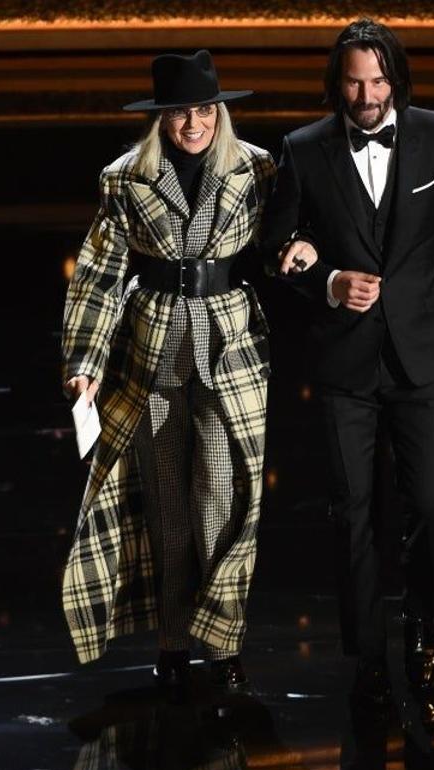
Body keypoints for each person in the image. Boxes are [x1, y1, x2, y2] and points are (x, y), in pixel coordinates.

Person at [260, 19, 434, 704]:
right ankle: (367, 652)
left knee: (431, 503)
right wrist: (325, 281)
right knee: (351, 511)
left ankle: (420, 624)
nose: (366, 93)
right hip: (347, 361)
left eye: (377, 80)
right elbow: (277, 245)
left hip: (426, 350)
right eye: (353, 80)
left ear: (396, 80)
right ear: (336, 82)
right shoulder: (304, 148)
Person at [60, 49, 275, 694]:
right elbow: (99, 273)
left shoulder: (257, 169)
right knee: (166, 509)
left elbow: (289, 233)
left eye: (204, 109)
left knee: (226, 502)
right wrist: (85, 364)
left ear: (220, 112)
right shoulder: (124, 178)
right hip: (149, 356)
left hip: (233, 352)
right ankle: (173, 640)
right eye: (180, 111)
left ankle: (225, 638)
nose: (193, 123)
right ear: (160, 119)